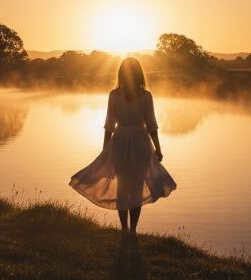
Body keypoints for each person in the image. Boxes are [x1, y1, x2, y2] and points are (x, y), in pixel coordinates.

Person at [69, 57, 177, 234]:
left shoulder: (114, 95)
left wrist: (106, 148)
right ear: (139, 74)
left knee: (122, 186)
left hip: (120, 140)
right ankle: (132, 229)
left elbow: (109, 125)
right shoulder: (145, 96)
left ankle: (125, 228)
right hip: (140, 141)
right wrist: (158, 148)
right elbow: (152, 125)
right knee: (136, 187)